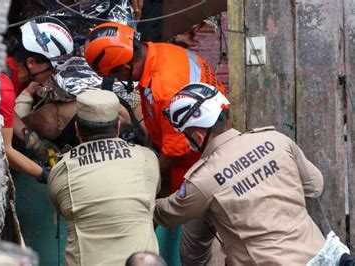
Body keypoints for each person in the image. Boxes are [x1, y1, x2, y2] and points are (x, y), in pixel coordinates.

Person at [84, 21, 227, 265]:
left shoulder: (165, 87)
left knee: (194, 250)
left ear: (126, 65)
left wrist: (143, 172)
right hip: (202, 144)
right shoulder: (160, 52)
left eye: (114, 74)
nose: (116, 79)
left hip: (197, 165)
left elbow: (177, 150)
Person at [154, 82, 326, 265]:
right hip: (321, 258)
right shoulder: (276, 140)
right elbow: (315, 186)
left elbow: (165, 214)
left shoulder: (203, 180)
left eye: (186, 136)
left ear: (198, 137)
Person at [48, 90, 160, 265]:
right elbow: (153, 192)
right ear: (117, 126)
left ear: (77, 129)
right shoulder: (148, 158)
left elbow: (63, 208)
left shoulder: (61, 170)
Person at [0, 16, 73, 182]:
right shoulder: (4, 86)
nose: (53, 76)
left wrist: (34, 143)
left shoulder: (12, 71)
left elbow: (5, 112)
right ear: (31, 62)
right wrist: (46, 175)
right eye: (52, 70)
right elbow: (6, 152)